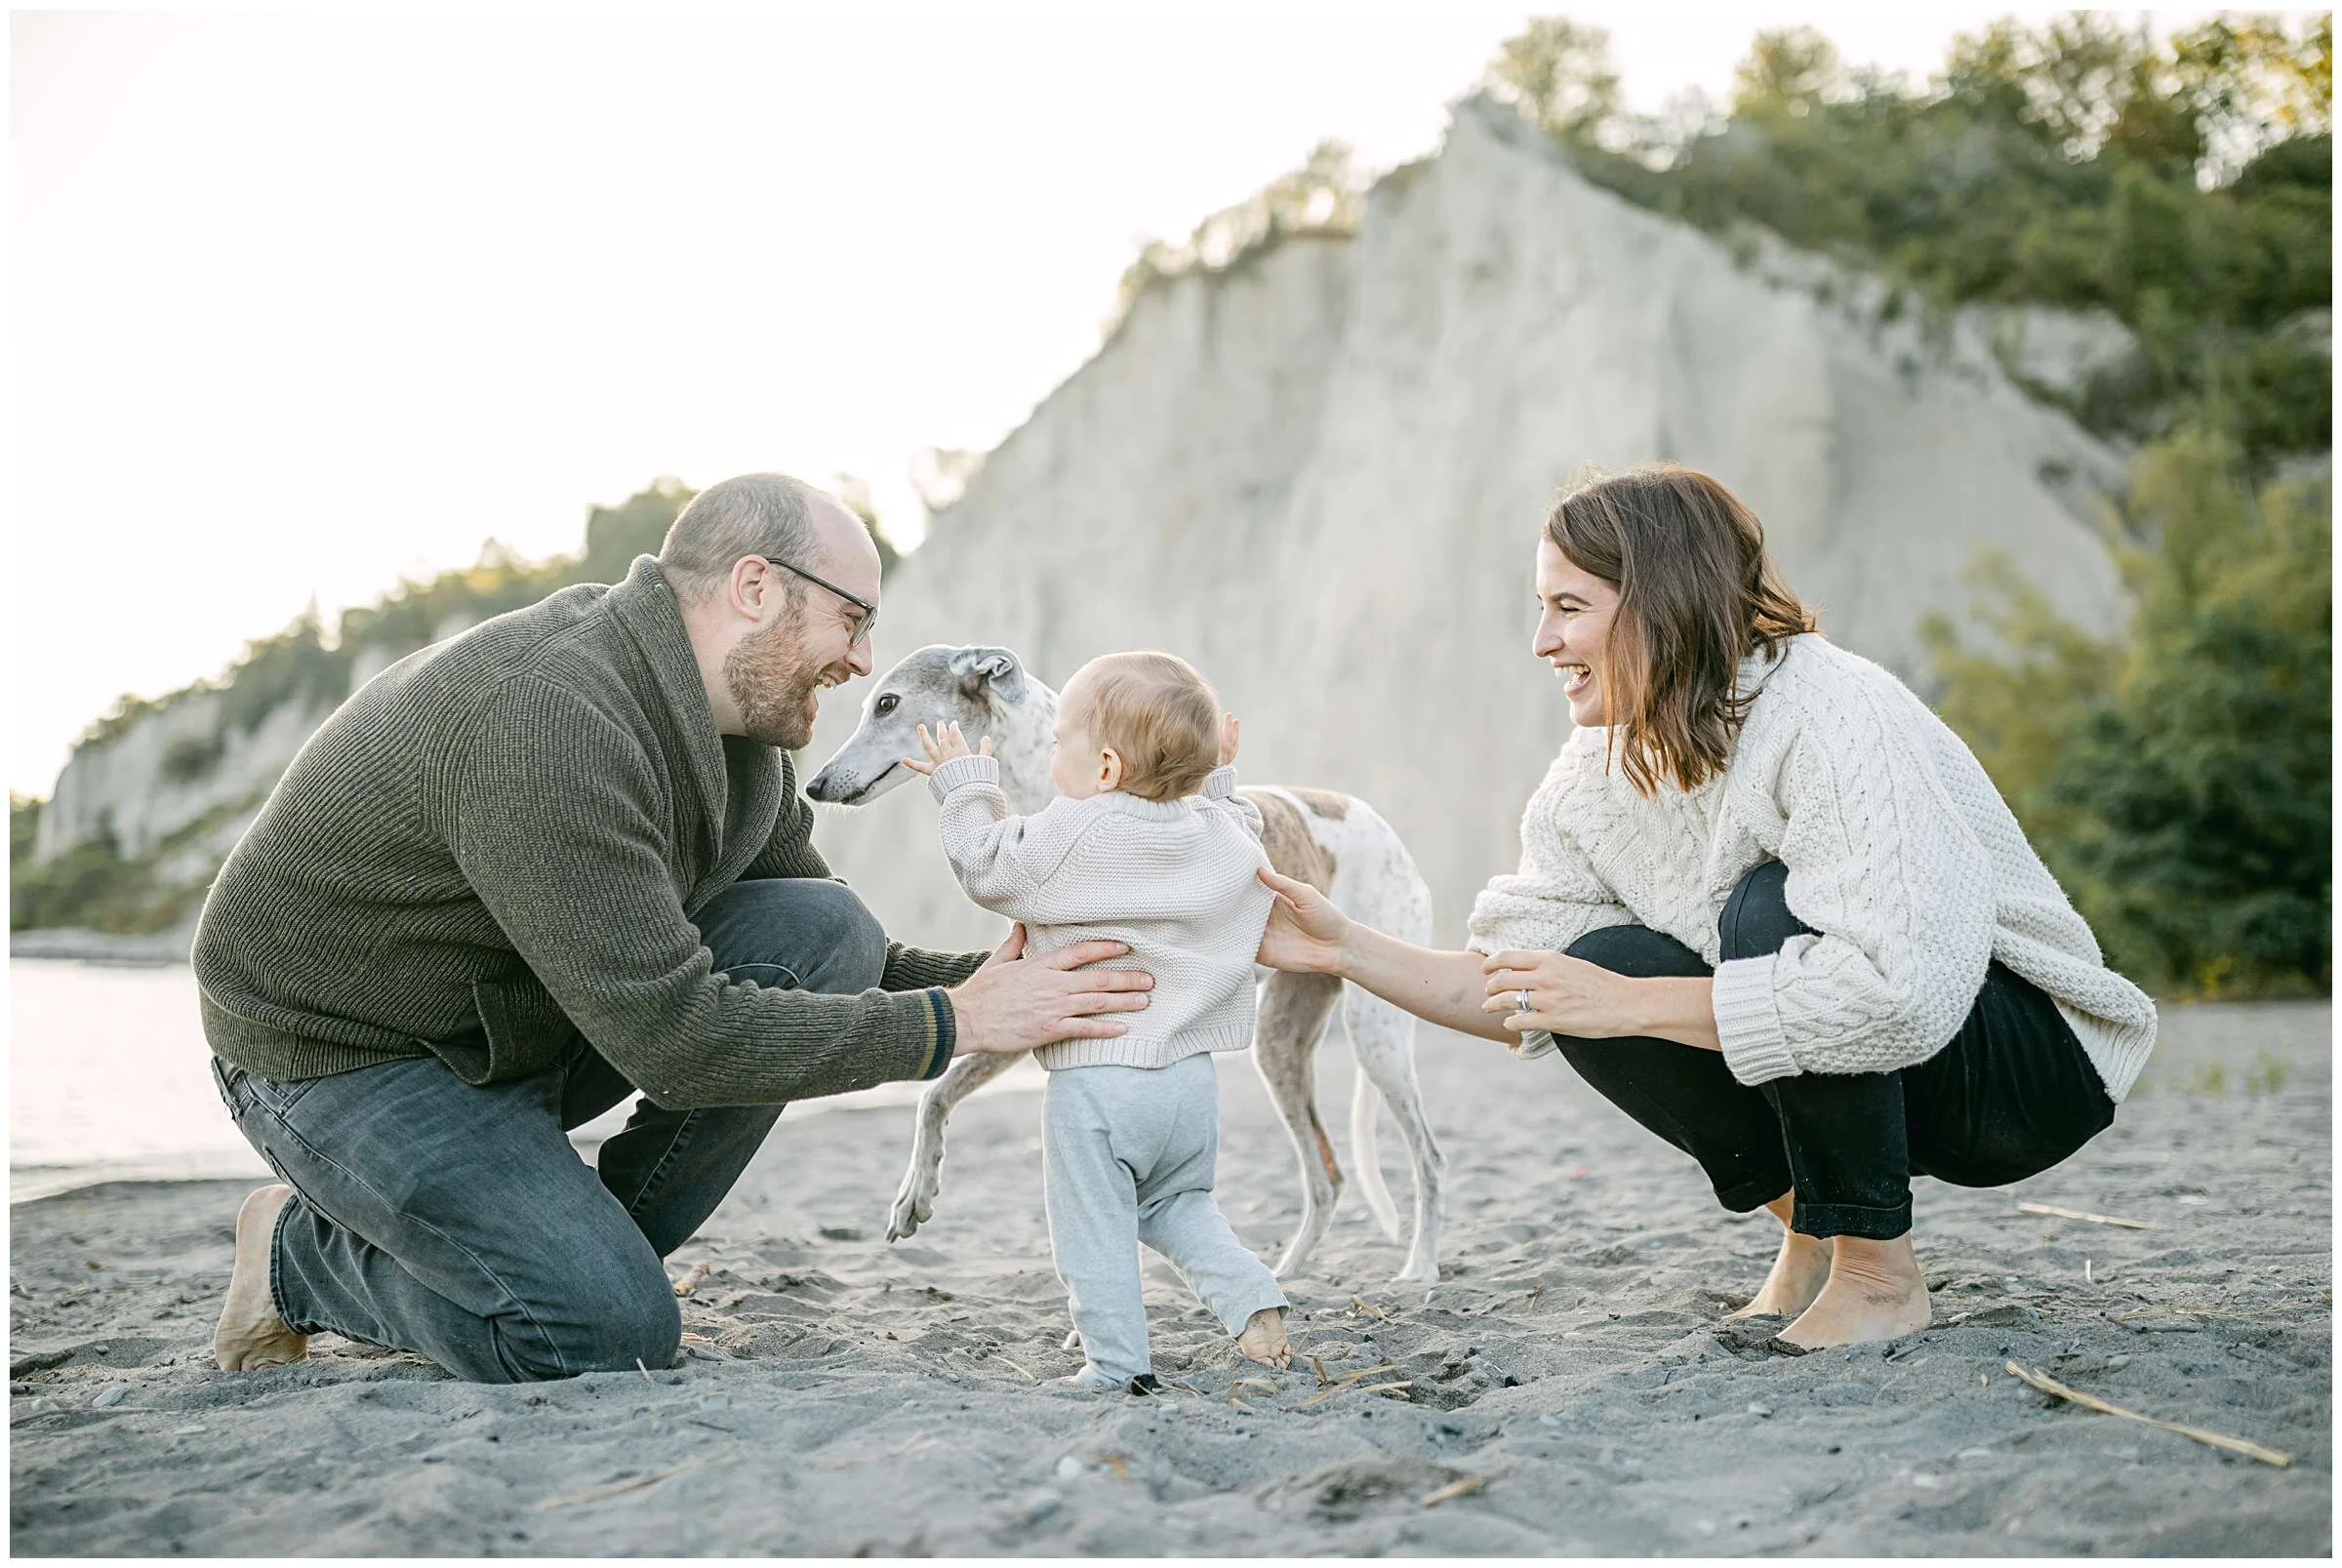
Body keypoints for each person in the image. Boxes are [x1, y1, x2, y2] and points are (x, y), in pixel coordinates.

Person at [196, 472, 1153, 1383]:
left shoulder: (742, 742)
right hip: (345, 1054)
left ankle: (570, 1243)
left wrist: (1026, 974)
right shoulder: (552, 718)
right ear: (754, 587)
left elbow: (842, 958)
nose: (862, 659)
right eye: (852, 620)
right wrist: (964, 1020)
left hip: (522, 1013)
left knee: (826, 925)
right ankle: (291, 1255)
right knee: (602, 1330)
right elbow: (680, 1039)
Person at [1253, 462, 2158, 1351]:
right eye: (1542, 607)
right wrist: (1343, 947)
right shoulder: (1600, 770)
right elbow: (1522, 988)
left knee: (1761, 913)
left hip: (2025, 1063)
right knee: (1592, 962)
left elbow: (1898, 995)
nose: (1542, 641)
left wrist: (1628, 1003)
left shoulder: (1834, 713)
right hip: (1889, 1058)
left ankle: (1879, 1278)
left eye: (1569, 608)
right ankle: (1815, 1233)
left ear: (1660, 603)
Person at [906, 651, 1292, 1391]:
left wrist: (965, 784)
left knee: (1093, 1230)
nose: (1050, 753)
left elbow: (991, 865)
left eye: (1059, 741)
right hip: (1187, 1082)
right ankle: (1251, 1298)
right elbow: (1241, 827)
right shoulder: (1210, 830)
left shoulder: (1079, 827)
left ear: (1107, 767)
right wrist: (1214, 775)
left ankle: (1116, 1366)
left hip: (1100, 1083)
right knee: (1180, 1204)